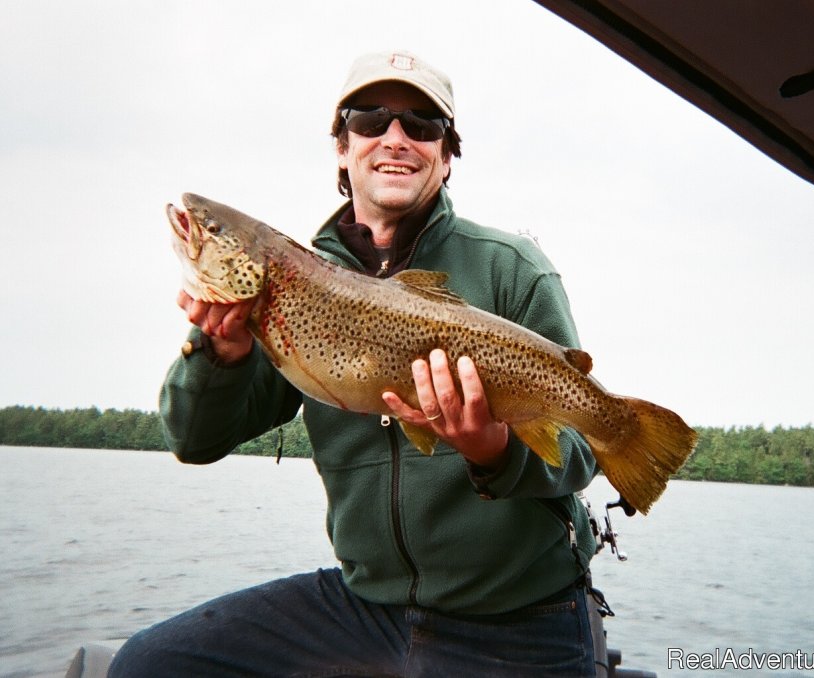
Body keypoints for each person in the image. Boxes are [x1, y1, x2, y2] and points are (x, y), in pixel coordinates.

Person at [109, 50, 600, 677]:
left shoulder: (512, 271)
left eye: (422, 125)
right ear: (342, 147)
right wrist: (220, 357)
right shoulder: (292, 284)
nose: (395, 138)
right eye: (371, 120)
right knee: (147, 666)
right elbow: (193, 441)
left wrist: (495, 451)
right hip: (366, 608)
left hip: (518, 619)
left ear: (447, 157)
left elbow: (583, 451)